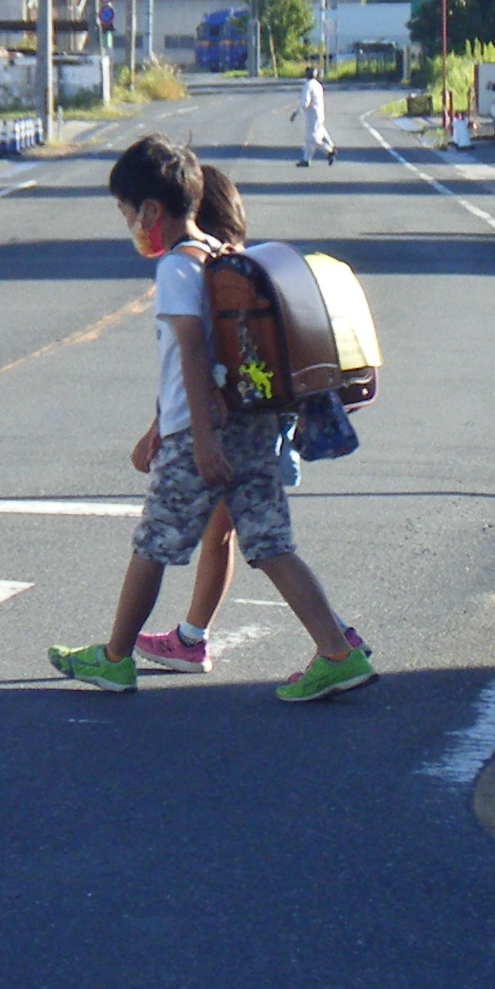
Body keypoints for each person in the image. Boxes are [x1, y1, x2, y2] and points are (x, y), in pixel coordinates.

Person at [52, 135, 374, 701]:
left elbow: (193, 354)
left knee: (153, 542)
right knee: (270, 543)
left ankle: (114, 658)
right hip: (252, 424)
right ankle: (337, 653)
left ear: (152, 209)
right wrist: (158, 428)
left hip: (204, 432)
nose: (127, 222)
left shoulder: (178, 268)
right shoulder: (222, 258)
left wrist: (198, 437)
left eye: (126, 211)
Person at [132, 165, 363, 674]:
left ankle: (335, 639)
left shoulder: (197, 272)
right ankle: (197, 635)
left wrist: (178, 435)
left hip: (232, 430)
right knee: (243, 535)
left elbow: (193, 358)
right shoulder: (237, 266)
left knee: (248, 540)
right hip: (266, 421)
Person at [294, 67, 337, 166]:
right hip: (319, 113)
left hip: (312, 115)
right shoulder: (318, 85)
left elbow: (305, 102)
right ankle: (306, 159)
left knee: (311, 138)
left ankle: (329, 150)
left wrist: (296, 112)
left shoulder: (308, 85)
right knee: (316, 134)